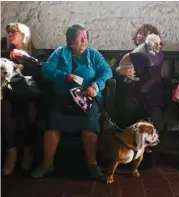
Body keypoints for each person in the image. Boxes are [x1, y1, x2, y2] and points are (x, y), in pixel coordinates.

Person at [31, 24, 112, 180]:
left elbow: (107, 71)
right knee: (52, 123)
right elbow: (46, 69)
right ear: (70, 41)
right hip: (63, 97)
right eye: (79, 38)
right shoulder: (60, 52)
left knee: (90, 123)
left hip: (89, 97)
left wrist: (96, 85)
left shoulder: (93, 54)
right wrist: (64, 76)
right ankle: (47, 164)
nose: (83, 42)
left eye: (85, 38)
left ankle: (93, 165)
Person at [113, 24, 164, 168]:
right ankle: (125, 149)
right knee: (125, 106)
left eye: (147, 34)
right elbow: (114, 69)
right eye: (140, 34)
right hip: (132, 95)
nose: (142, 36)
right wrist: (119, 71)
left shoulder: (157, 54)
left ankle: (147, 152)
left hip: (151, 96)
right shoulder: (129, 56)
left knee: (153, 113)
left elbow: (151, 65)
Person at [2, 23, 41, 176]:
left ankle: (27, 151)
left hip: (30, 96)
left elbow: (42, 70)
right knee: (4, 107)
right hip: (9, 95)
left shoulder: (36, 54)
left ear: (24, 35)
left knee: (30, 109)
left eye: (14, 32)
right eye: (9, 32)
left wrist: (24, 58)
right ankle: (10, 153)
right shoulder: (5, 54)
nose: (10, 35)